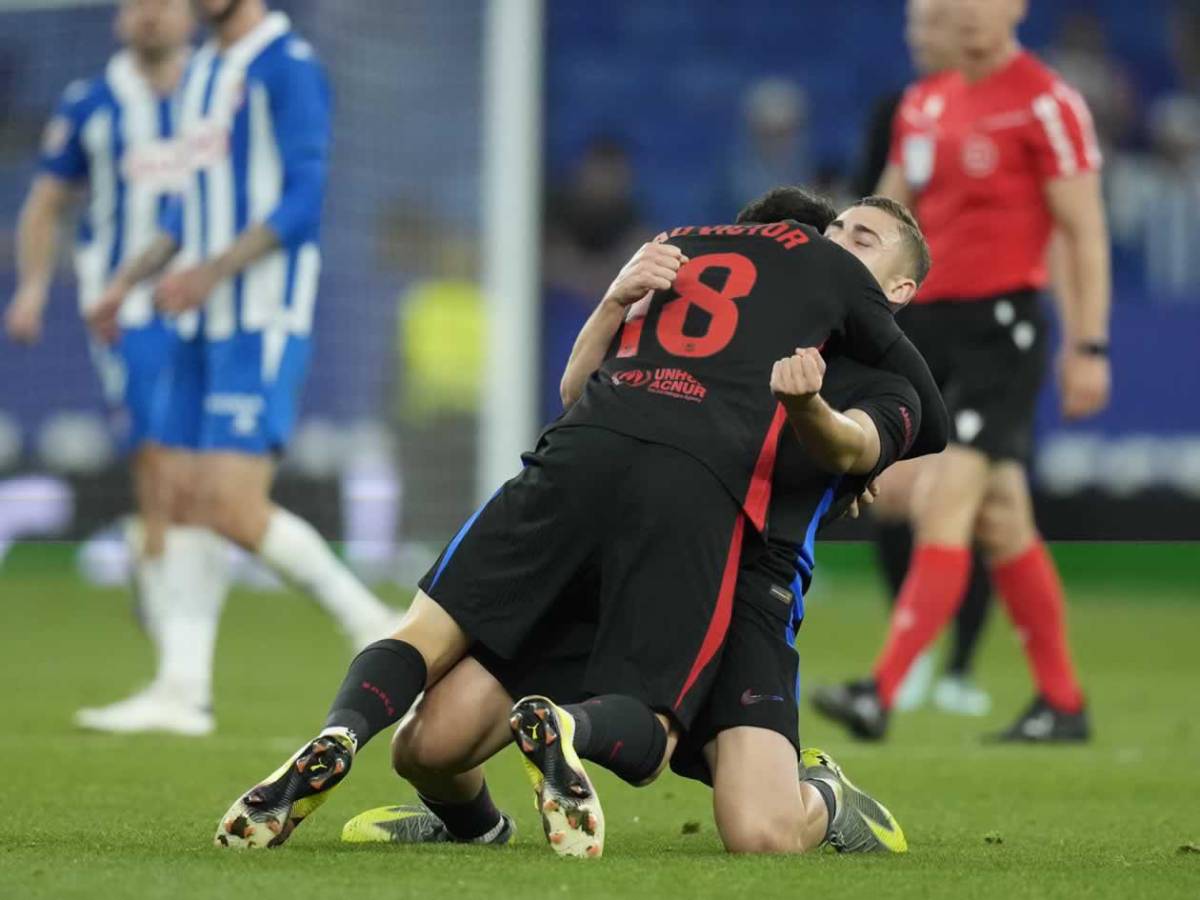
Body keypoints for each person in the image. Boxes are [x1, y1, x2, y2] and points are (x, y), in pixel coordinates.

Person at [213, 188, 944, 857]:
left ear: (899, 289)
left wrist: (818, 421)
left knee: (761, 833)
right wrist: (614, 300)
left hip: (750, 588)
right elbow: (579, 393)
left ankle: (825, 793)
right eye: (838, 229)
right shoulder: (746, 323)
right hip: (629, 548)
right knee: (426, 749)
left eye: (864, 240)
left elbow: (863, 441)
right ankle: (476, 822)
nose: (838, 244)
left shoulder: (878, 375)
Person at [88, 0, 397, 734]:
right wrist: (130, 280)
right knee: (185, 495)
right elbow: (185, 209)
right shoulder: (203, 74)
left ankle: (375, 624)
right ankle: (181, 689)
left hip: (259, 312)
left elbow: (303, 198)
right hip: (201, 314)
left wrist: (214, 271)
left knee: (227, 502)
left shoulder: (286, 66)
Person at [813, 0, 1111, 744]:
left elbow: (1084, 229)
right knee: (1002, 514)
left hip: (1002, 328)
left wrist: (1089, 345)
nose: (968, 11)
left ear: (1017, 7)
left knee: (944, 495)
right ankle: (1063, 704)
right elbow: (882, 217)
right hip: (929, 328)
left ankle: (880, 691)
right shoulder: (923, 104)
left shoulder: (1046, 102)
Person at [1, 0, 210, 735]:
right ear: (120, 19)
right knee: (162, 472)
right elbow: (43, 205)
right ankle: (178, 670)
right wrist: (31, 288)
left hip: (217, 303)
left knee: (214, 484)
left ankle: (176, 643)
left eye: (165, 4)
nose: (151, 16)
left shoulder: (217, 93)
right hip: (129, 313)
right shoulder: (91, 104)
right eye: (138, 4)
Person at [853, 0, 996, 718]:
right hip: (913, 322)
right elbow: (876, 211)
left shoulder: (1008, 109)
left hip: (987, 326)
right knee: (893, 493)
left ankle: (961, 667)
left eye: (930, 26)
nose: (921, 40)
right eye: (913, 29)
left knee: (978, 499)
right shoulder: (900, 109)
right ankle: (906, 653)